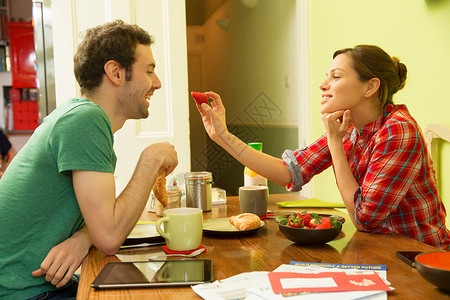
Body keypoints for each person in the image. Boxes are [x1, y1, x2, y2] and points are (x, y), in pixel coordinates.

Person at [196, 44, 450, 250]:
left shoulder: (397, 129)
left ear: (371, 87)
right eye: (326, 76)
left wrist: (335, 145)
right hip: (379, 251)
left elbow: (364, 219)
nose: (323, 85)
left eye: (336, 77)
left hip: (420, 258)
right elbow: (288, 171)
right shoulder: (349, 125)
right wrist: (222, 135)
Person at [0, 20, 178, 299]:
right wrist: (150, 159)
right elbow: (109, 237)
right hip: (24, 293)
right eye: (149, 70)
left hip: (44, 286)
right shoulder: (85, 120)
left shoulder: (81, 118)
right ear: (115, 72)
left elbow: (100, 223)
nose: (157, 83)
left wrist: (83, 238)